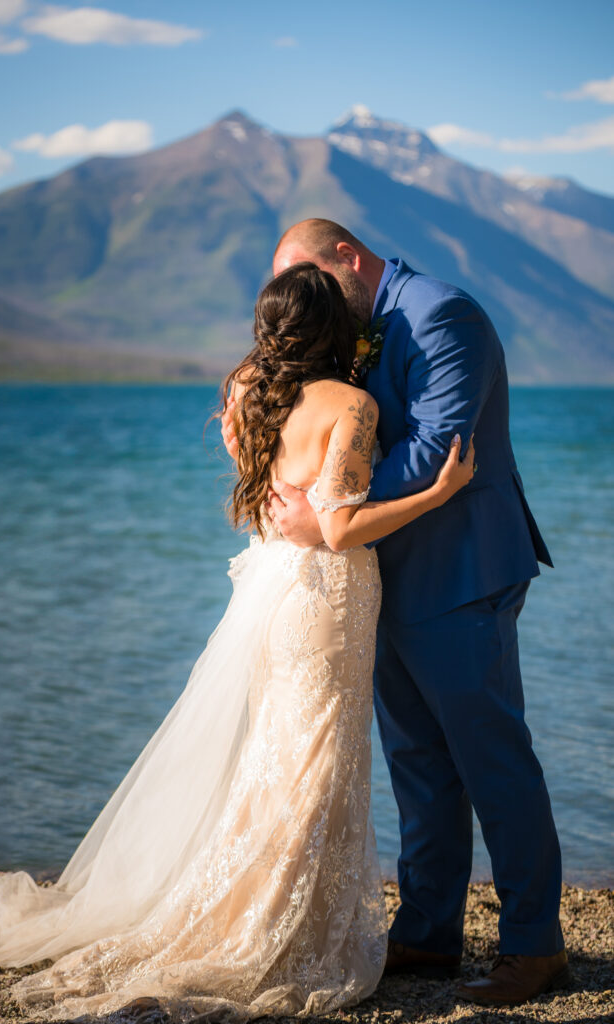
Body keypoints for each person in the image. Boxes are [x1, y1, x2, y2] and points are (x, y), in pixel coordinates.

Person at [0, 264, 473, 1021]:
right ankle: (270, 929)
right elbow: (343, 526)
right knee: (315, 766)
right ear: (336, 333)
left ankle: (256, 908)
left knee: (277, 760)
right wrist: (435, 493)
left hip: (270, 589)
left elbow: (260, 476)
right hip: (325, 597)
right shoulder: (349, 404)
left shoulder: (249, 387)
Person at [224, 219, 567, 1008]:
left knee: (492, 761)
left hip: (458, 571)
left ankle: (533, 946)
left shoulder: (441, 315)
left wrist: (324, 510)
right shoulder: (349, 324)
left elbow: (434, 449)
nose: (308, 296)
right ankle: (428, 930)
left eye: (310, 274)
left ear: (348, 256)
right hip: (374, 576)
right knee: (417, 764)